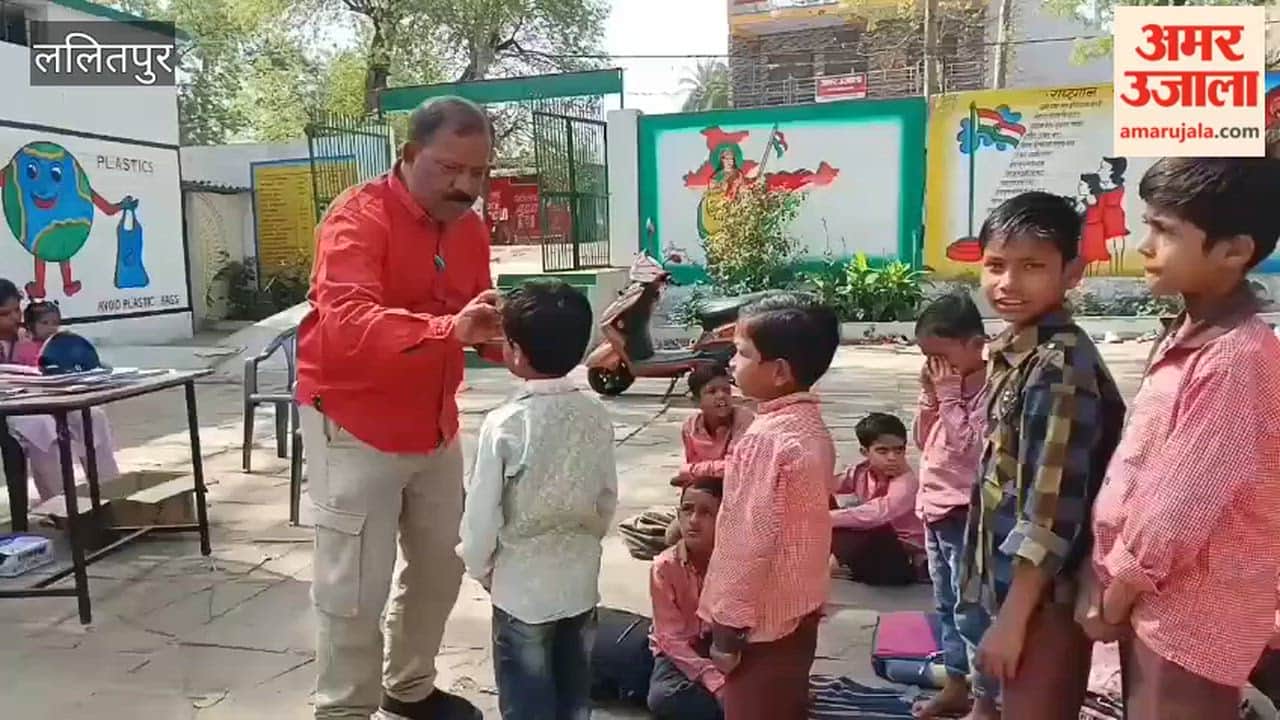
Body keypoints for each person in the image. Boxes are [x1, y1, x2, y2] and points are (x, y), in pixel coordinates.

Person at [294, 96, 505, 720]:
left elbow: (475, 316)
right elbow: (348, 320)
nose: (465, 186)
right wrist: (450, 331)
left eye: (478, 173)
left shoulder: (469, 228)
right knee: (354, 586)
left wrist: (516, 336)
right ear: (410, 155)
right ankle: (342, 711)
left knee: (443, 566)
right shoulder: (358, 219)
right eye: (450, 169)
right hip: (355, 424)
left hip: (435, 423)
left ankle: (408, 688)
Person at [1081, 157, 1280, 720]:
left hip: (1191, 616)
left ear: (1234, 251)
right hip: (1157, 603)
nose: (1145, 245)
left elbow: (1179, 505)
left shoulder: (1236, 359)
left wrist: (1116, 592)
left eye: (1165, 231)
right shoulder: (1190, 337)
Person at [960, 191, 1125, 720]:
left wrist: (1012, 619)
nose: (1008, 284)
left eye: (1032, 266)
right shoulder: (1018, 349)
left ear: (1072, 272)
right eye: (996, 266)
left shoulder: (1060, 367)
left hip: (1043, 599)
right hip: (1007, 590)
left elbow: (1050, 510)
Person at [457, 280, 617, 720]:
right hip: (579, 578)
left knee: (527, 700)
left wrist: (479, 565)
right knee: (572, 692)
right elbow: (606, 498)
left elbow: (481, 513)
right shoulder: (595, 415)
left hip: (520, 587)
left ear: (515, 351)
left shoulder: (506, 424)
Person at [699, 293, 841, 720]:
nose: (731, 364)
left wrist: (726, 632)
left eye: (742, 354)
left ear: (778, 371)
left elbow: (746, 542)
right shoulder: (811, 428)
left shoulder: (765, 441)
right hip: (800, 611)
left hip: (759, 625)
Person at [909, 293, 997, 720]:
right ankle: (956, 682)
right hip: (935, 509)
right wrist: (930, 398)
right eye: (929, 359)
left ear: (976, 343)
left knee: (972, 609)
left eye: (942, 356)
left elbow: (971, 449)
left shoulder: (989, 389)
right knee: (945, 604)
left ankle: (986, 699)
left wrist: (947, 397)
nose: (936, 368)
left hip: (967, 513)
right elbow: (925, 441)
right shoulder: (944, 386)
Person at [0, 282, 119, 508]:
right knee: (43, 428)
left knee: (92, 417)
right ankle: (62, 508)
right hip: (12, 410)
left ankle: (109, 498)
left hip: (46, 396)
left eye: (17, 310)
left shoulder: (29, 336)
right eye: (6, 314)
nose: (16, 318)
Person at [648, 477, 727, 720]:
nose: (693, 521)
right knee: (664, 697)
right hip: (683, 649)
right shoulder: (664, 567)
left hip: (726, 642)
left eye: (706, 513)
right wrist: (714, 680)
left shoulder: (734, 563)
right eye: (687, 510)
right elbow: (671, 639)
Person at [829, 412, 925, 586]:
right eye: (883, 451)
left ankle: (825, 569)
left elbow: (878, 513)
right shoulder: (860, 471)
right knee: (817, 498)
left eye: (899, 450)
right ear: (865, 452)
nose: (892, 458)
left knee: (866, 523)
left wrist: (825, 518)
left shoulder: (906, 482)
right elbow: (828, 484)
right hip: (872, 552)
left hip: (901, 557)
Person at [664, 363, 754, 545]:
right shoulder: (690, 427)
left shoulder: (744, 420)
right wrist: (686, 509)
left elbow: (736, 469)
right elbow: (691, 481)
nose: (721, 396)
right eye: (712, 391)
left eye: (726, 390)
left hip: (739, 500)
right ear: (697, 400)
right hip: (706, 499)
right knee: (673, 536)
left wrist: (692, 470)